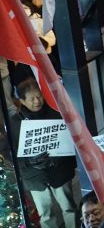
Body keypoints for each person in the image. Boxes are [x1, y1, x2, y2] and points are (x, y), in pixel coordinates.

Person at [10, 80, 78, 228]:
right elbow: (11, 152)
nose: (37, 101)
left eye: (39, 96)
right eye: (32, 98)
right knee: (45, 215)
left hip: (59, 171)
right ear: (22, 101)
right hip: (34, 177)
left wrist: (58, 158)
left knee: (69, 208)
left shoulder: (57, 112)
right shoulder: (15, 123)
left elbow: (70, 141)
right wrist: (29, 161)